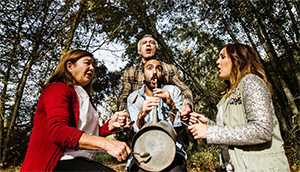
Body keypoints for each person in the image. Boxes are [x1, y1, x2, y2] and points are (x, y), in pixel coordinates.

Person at [21, 50, 132, 172]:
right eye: (87, 63)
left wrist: (110, 126)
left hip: (78, 162)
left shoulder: (84, 96)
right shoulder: (57, 89)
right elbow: (59, 132)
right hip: (55, 163)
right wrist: (107, 144)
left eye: (93, 65)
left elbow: (84, 136)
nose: (92, 68)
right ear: (70, 66)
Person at [187, 43, 290, 172]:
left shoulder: (251, 82)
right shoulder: (226, 97)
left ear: (238, 59)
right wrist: (208, 124)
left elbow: (262, 130)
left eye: (222, 57)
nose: (217, 62)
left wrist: (210, 131)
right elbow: (234, 133)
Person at [126, 59, 187, 172]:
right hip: (144, 151)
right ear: (143, 76)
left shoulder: (173, 91)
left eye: (158, 69)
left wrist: (171, 105)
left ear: (161, 75)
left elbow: (177, 127)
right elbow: (136, 130)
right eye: (150, 68)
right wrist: (141, 115)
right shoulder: (134, 98)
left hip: (172, 150)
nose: (154, 72)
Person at [117, 34, 193, 120]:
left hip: (167, 118)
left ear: (156, 50)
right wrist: (124, 116)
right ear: (139, 51)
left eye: (151, 42)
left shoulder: (169, 68)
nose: (148, 44)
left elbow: (183, 88)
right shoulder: (130, 72)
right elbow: (124, 95)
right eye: (144, 43)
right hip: (140, 119)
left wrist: (187, 105)